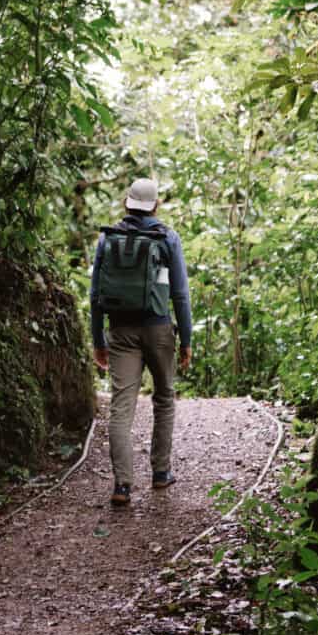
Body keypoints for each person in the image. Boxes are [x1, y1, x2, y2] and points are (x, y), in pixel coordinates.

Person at [90, 178, 192, 506]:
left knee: (121, 408)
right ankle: (161, 473)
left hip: (120, 332)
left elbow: (95, 296)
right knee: (164, 397)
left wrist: (97, 340)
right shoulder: (167, 238)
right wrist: (186, 338)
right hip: (160, 330)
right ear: (156, 206)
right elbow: (180, 293)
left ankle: (122, 486)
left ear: (126, 203)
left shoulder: (107, 238)